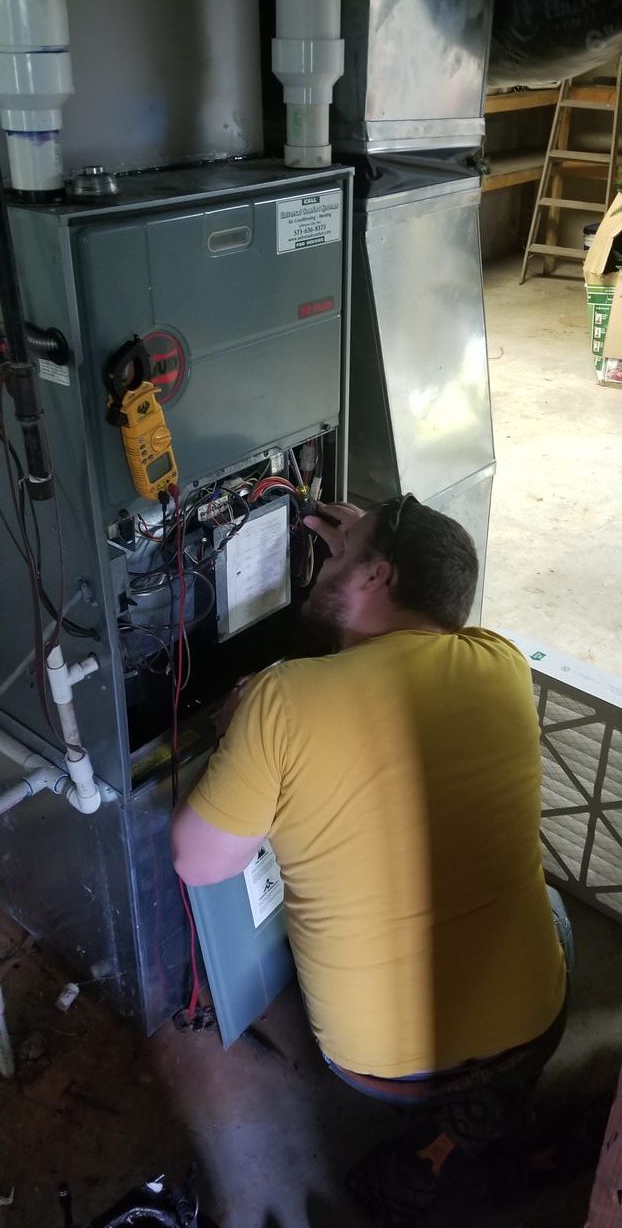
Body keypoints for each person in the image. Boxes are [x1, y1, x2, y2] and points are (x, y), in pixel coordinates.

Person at [171, 495, 571, 1213]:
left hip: (378, 1068)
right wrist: (373, 545)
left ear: (377, 576)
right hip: (538, 1029)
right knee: (551, 908)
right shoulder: (503, 664)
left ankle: (444, 1131)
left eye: (344, 554)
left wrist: (242, 729)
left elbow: (200, 863)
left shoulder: (280, 699)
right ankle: (483, 1114)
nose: (327, 562)